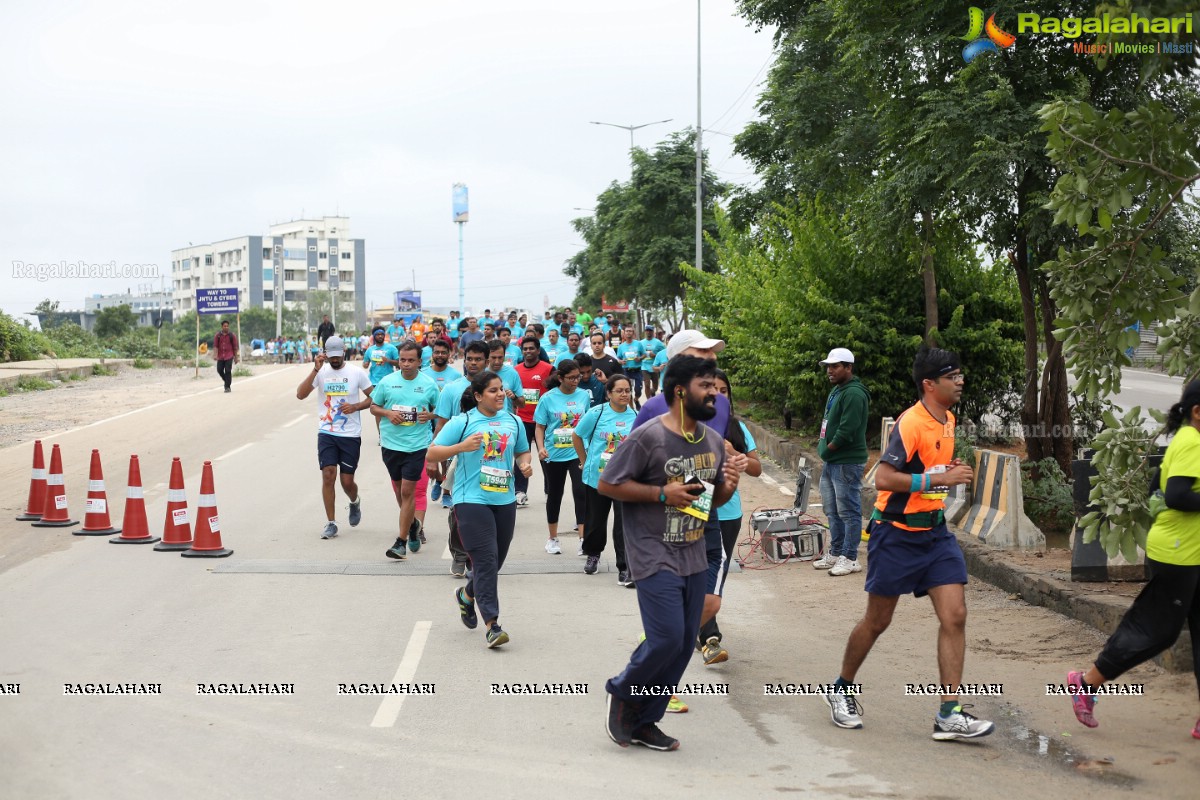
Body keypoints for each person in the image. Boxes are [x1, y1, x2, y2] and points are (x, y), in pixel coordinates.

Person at [820, 346, 991, 741]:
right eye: (953, 377)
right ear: (930, 384)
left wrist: (946, 471)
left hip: (934, 534)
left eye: (960, 375)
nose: (960, 381)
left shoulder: (948, 419)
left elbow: (924, 468)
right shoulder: (910, 423)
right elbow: (883, 478)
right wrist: (937, 480)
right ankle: (841, 688)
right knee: (878, 621)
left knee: (956, 615)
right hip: (895, 534)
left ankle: (950, 714)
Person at [600, 355, 739, 751]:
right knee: (664, 639)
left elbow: (706, 505)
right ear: (681, 391)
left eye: (715, 386)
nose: (714, 393)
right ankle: (621, 691)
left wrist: (726, 484)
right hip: (651, 549)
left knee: (681, 645)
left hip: (692, 551)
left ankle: (646, 721)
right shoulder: (649, 437)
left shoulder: (712, 442)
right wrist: (661, 493)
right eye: (705, 386)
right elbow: (609, 484)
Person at [1065, 380, 1200, 737]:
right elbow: (1176, 495)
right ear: (1198, 412)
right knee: (1158, 631)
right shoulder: (1191, 442)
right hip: (1178, 555)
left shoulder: (1188, 442)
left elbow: (1156, 483)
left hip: (1192, 552)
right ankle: (1086, 682)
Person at [633, 329, 737, 666]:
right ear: (676, 362)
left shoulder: (719, 404)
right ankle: (650, 676)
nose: (711, 361)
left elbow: (715, 455)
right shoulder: (651, 409)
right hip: (659, 520)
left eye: (712, 356)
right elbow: (627, 472)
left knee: (707, 601)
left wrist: (728, 466)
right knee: (670, 613)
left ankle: (669, 646)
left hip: (704, 508)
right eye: (701, 355)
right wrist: (662, 492)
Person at [429, 370, 532, 648]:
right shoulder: (462, 422)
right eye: (493, 390)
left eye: (501, 389)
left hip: (504, 500)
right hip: (471, 500)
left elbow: (523, 450)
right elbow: (432, 452)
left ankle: (466, 596)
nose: (500, 394)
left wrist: (524, 463)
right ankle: (493, 625)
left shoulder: (513, 421)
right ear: (477, 396)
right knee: (485, 561)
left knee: (494, 562)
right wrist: (461, 446)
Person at [697, 369, 762, 656]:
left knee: (715, 576)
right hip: (695, 511)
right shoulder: (690, 425)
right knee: (694, 574)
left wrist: (734, 452)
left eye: (724, 391)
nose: (718, 396)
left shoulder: (737, 427)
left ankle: (705, 633)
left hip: (728, 513)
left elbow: (757, 468)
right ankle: (706, 635)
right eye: (713, 390)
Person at [296, 336, 374, 540]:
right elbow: (300, 394)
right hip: (327, 431)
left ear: (344, 352)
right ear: (325, 354)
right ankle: (331, 523)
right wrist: (315, 369)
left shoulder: (356, 372)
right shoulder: (320, 371)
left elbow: (374, 396)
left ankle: (354, 501)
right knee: (328, 474)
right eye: (331, 357)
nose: (335, 360)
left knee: (347, 482)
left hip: (350, 434)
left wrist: (356, 406)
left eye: (338, 356)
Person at [369, 341, 440, 560]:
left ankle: (401, 543)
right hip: (391, 445)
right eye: (402, 360)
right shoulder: (387, 382)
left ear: (420, 361)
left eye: (411, 360)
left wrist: (430, 415)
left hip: (417, 446)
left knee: (409, 492)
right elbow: (373, 406)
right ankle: (413, 525)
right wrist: (388, 414)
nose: (406, 364)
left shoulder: (428, 385)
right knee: (400, 493)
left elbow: (440, 411)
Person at [432, 340, 491, 577]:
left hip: (490, 460)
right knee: (460, 512)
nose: (473, 363)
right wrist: (432, 459)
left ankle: (478, 557)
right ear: (463, 360)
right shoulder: (451, 389)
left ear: (487, 361)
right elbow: (442, 425)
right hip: (460, 461)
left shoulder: (496, 389)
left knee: (487, 512)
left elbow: (506, 425)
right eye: (469, 358)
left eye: (478, 359)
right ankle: (458, 554)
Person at [812, 347, 871, 576]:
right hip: (832, 460)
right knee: (832, 509)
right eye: (828, 366)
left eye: (835, 366)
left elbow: (848, 428)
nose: (830, 370)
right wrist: (826, 450)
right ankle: (836, 552)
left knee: (848, 510)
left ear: (849, 367)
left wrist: (830, 447)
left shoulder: (854, 393)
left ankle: (850, 557)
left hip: (846, 461)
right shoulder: (839, 389)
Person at [574, 374, 637, 581]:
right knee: (595, 521)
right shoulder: (597, 413)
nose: (624, 394)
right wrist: (584, 461)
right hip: (598, 479)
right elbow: (577, 435)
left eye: (627, 390)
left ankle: (624, 567)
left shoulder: (636, 416)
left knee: (623, 524)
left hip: (625, 481)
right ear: (608, 393)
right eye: (619, 391)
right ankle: (593, 554)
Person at [533, 359, 589, 555]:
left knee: (581, 493)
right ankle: (553, 538)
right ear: (560, 378)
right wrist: (540, 448)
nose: (576, 381)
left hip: (577, 452)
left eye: (578, 377)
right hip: (553, 454)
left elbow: (588, 423)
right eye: (571, 378)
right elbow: (539, 427)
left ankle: (583, 539)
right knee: (555, 495)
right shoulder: (547, 398)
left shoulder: (583, 396)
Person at [514, 336, 554, 507]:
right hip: (522, 419)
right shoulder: (515, 370)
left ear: (538, 350)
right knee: (521, 457)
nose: (528, 351)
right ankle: (520, 492)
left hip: (542, 421)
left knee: (546, 457)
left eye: (531, 348)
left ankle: (549, 490)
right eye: (525, 349)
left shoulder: (549, 369)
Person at [615, 326, 646, 410]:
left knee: (638, 390)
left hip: (637, 370)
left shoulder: (638, 344)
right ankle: (632, 409)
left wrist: (639, 358)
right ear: (624, 333)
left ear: (633, 333)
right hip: (626, 370)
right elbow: (618, 358)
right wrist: (620, 361)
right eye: (627, 331)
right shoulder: (621, 346)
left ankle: (636, 399)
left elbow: (644, 354)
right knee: (628, 390)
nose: (628, 333)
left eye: (630, 331)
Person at [213, 320, 239, 393]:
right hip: (220, 356)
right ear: (222, 327)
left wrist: (236, 358)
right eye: (225, 326)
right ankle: (227, 381)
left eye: (227, 326)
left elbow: (235, 347)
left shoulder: (232, 335)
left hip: (229, 356)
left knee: (228, 371)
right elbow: (215, 346)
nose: (226, 327)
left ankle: (227, 387)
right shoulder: (218, 336)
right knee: (219, 370)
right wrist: (215, 355)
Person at [640, 326, 665, 399]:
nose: (648, 332)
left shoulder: (658, 342)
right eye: (647, 330)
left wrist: (655, 355)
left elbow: (664, 352)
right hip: (644, 366)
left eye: (650, 331)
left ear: (653, 332)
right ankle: (648, 401)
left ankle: (652, 392)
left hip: (654, 366)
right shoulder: (641, 342)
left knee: (655, 387)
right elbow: (638, 352)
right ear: (645, 331)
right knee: (647, 384)